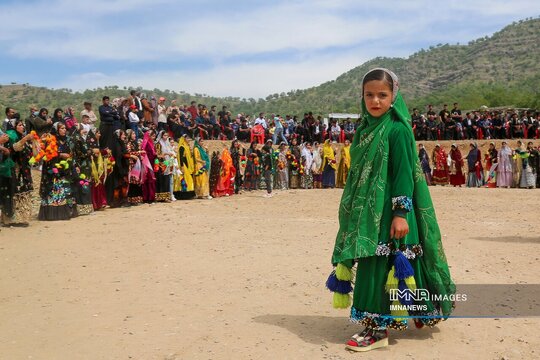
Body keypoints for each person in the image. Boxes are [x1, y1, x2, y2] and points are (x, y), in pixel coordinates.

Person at [329, 68, 454, 352]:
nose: (375, 101)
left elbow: (403, 175)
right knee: (375, 261)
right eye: (369, 95)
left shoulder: (397, 130)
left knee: (383, 264)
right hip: (366, 212)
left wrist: (400, 213)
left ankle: (376, 329)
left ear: (394, 96)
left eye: (382, 95)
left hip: (390, 213)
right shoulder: (363, 130)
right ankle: (420, 311)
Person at [38, 123, 78, 220]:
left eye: (65, 128)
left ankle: (68, 211)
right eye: (62, 128)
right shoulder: (51, 140)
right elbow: (48, 155)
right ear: (57, 130)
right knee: (56, 189)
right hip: (54, 169)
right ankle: (54, 213)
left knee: (66, 190)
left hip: (66, 169)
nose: (64, 130)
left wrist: (74, 164)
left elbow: (73, 153)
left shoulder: (68, 140)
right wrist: (60, 155)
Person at [1, 119, 35, 226]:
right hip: (14, 170)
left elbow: (33, 154)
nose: (23, 127)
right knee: (14, 193)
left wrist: (35, 142)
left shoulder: (23, 137)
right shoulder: (11, 137)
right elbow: (13, 149)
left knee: (23, 192)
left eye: (23, 125)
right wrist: (25, 139)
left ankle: (22, 217)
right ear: (14, 127)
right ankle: (12, 219)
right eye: (20, 125)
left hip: (24, 170)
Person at [154, 130, 174, 202]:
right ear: (161, 136)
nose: (166, 137)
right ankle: (161, 197)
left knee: (167, 180)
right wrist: (166, 154)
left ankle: (167, 197)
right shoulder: (158, 144)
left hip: (167, 163)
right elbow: (158, 155)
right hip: (161, 164)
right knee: (162, 180)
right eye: (164, 135)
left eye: (167, 135)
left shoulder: (167, 143)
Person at [174, 135, 196, 200]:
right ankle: (184, 195)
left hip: (188, 165)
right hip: (184, 165)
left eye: (189, 138)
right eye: (187, 138)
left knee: (189, 179)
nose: (188, 139)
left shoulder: (187, 146)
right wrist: (182, 167)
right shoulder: (182, 147)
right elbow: (181, 158)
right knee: (186, 179)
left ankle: (189, 194)